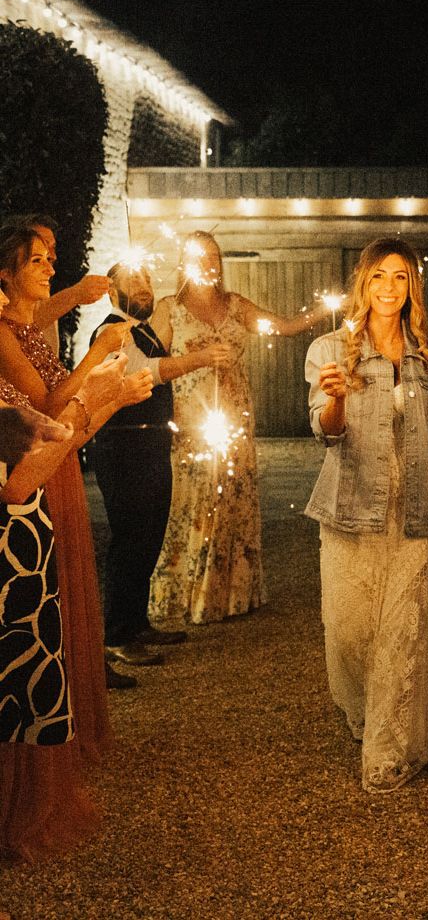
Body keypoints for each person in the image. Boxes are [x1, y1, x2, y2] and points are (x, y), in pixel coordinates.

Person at [304, 237, 428, 792]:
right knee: (352, 633)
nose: (388, 288)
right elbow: (326, 434)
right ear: (363, 282)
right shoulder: (331, 349)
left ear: (412, 287)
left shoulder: (427, 357)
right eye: (379, 276)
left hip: (413, 515)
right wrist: (333, 399)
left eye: (400, 277)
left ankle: (391, 748)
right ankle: (365, 713)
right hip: (351, 507)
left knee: (402, 630)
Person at [0, 261, 143, 861]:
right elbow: (16, 479)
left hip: (24, 530)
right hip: (13, 539)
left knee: (22, 686)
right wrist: (101, 398)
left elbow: (39, 432)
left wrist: (101, 402)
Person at [0, 226, 153, 718]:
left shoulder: (24, 328)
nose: (50, 266)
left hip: (54, 458)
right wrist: (94, 357)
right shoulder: (6, 333)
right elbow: (48, 404)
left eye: (51, 256)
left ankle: (75, 706)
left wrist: (112, 392)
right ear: (6, 275)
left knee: (66, 587)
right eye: (37, 260)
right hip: (35, 466)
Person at [150, 231, 324, 624]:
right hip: (193, 424)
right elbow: (153, 364)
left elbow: (284, 327)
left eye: (213, 257)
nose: (208, 264)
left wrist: (323, 311)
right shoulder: (170, 309)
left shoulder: (235, 306)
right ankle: (188, 594)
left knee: (232, 500)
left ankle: (233, 594)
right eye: (199, 257)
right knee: (194, 503)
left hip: (234, 422)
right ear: (184, 263)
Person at [90, 263, 232, 671]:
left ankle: (137, 623)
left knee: (150, 534)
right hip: (122, 449)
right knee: (130, 538)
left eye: (148, 280)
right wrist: (200, 358)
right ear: (111, 291)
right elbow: (146, 372)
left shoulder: (146, 331)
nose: (145, 287)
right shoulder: (110, 332)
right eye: (133, 280)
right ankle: (117, 636)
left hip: (150, 446)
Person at [0, 213, 110, 354]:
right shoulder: (6, 328)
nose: (53, 256)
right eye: (37, 258)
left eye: (52, 248)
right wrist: (101, 347)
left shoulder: (40, 290)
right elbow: (24, 327)